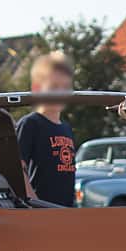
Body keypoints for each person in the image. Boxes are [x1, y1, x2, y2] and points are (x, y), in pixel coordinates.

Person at [16, 51, 77, 205]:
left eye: (65, 87)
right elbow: (17, 168)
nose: (60, 93)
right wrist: (34, 203)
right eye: (54, 87)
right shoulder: (30, 124)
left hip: (65, 210)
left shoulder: (66, 128)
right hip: (42, 211)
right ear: (37, 89)